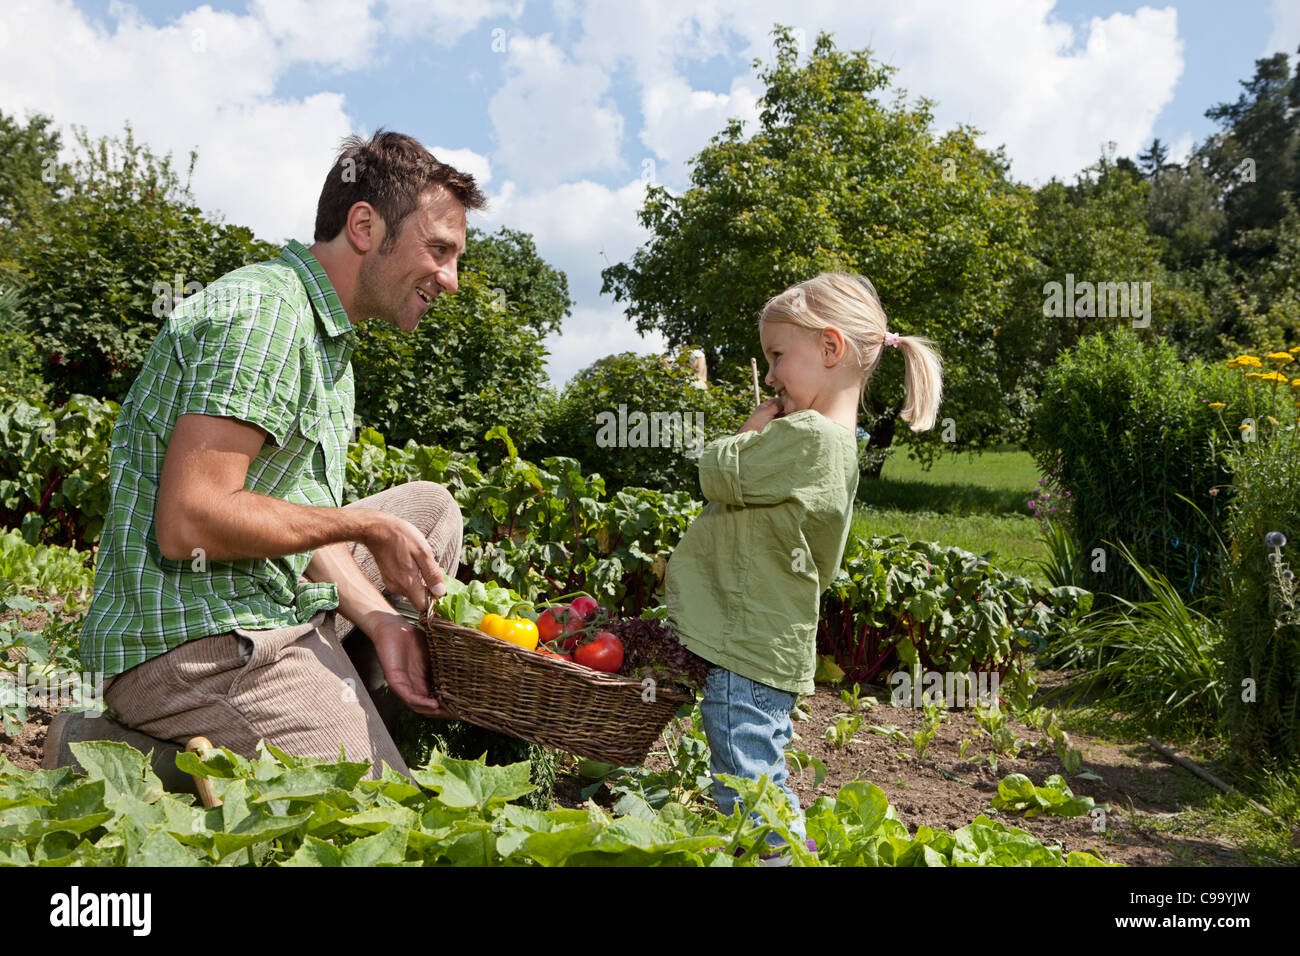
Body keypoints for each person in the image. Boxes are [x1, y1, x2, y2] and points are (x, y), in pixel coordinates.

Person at [72, 129, 488, 782]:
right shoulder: (265, 317)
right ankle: (135, 755)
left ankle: (334, 718)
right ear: (363, 225)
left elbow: (299, 520)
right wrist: (362, 525)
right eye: (439, 250)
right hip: (200, 646)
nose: (451, 279)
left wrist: (381, 621)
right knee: (385, 820)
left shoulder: (330, 342)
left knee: (429, 511)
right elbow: (191, 522)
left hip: (264, 601)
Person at [664, 272, 944, 861]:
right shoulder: (830, 440)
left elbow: (716, 470)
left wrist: (747, 432)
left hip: (750, 649)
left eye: (776, 356)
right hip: (760, 644)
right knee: (752, 781)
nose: (769, 376)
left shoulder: (812, 437)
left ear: (830, 348)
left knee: (750, 792)